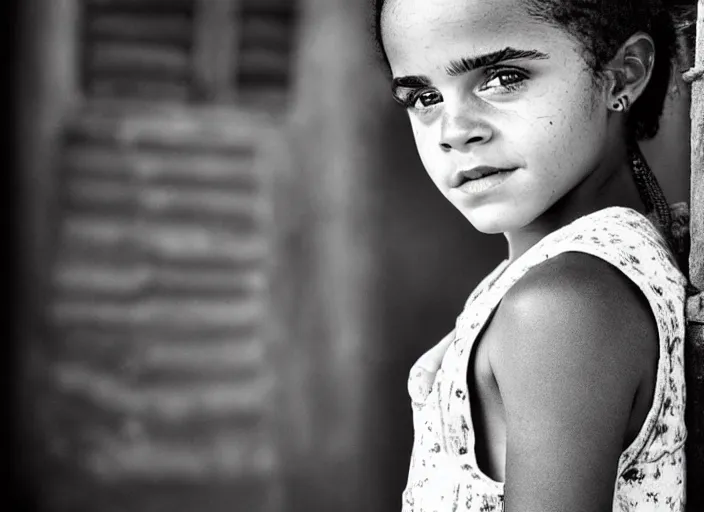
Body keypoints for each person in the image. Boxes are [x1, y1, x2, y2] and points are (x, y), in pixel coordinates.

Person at [373, 0, 690, 510]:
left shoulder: (562, 305)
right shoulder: (607, 266)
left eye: (502, 77)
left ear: (621, 75)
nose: (454, 132)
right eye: (423, 95)